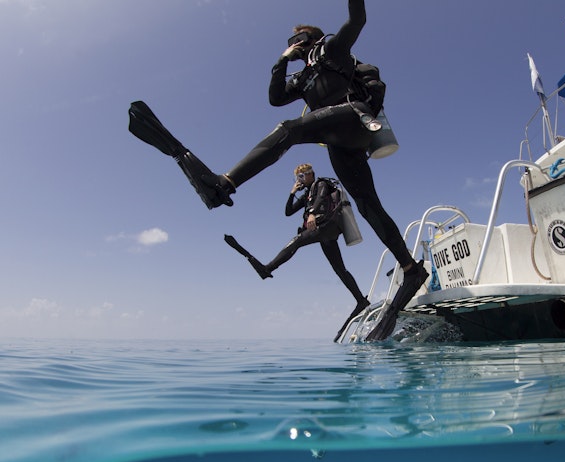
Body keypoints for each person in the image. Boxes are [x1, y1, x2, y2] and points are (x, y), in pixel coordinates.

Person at [139, 0, 428, 340]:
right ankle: (410, 269)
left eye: (300, 37)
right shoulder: (303, 76)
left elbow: (358, 18)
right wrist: (280, 61)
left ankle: (225, 183)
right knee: (367, 204)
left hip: (355, 118)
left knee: (289, 129)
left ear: (311, 38)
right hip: (339, 142)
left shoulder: (333, 49)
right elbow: (275, 97)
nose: (295, 42)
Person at [224, 163, 370, 340]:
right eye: (298, 177)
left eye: (303, 175)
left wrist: (312, 213)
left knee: (297, 241)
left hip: (326, 225)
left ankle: (268, 268)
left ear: (311, 174)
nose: (301, 179)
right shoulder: (306, 195)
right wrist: (292, 192)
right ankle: (361, 300)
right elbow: (288, 212)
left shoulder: (320, 184)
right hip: (326, 233)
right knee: (340, 269)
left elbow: (321, 197)